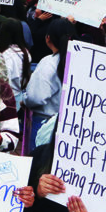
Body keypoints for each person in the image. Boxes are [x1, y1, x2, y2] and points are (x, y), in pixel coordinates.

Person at [23, 18, 75, 149]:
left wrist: (25, 100)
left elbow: (36, 97)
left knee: (39, 164)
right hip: (70, 124)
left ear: (48, 38)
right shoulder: (80, 62)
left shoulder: (49, 63)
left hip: (44, 123)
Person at [0, 18, 31, 111]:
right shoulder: (25, 52)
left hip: (8, 100)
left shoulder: (6, 56)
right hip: (20, 96)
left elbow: (5, 82)